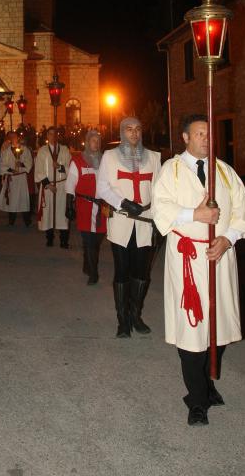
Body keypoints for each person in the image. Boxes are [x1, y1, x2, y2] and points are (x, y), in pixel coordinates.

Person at [152, 114, 245, 426]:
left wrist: (228, 238)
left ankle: (207, 384)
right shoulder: (172, 170)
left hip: (219, 258)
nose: (206, 139)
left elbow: (241, 211)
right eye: (199, 134)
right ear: (185, 138)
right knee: (192, 329)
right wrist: (194, 214)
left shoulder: (223, 172)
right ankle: (196, 400)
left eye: (209, 134)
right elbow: (160, 208)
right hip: (188, 259)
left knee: (218, 327)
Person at [96, 116, 161, 337]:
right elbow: (102, 188)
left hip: (146, 222)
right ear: (122, 132)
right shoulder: (110, 156)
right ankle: (122, 320)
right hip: (122, 220)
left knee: (141, 272)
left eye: (138, 129)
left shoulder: (153, 157)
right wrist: (122, 203)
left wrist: (160, 220)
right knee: (122, 270)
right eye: (129, 129)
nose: (134, 133)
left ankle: (136, 315)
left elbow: (159, 191)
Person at [65, 129, 106, 283]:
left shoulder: (104, 161)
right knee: (89, 240)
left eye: (98, 141)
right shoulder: (78, 161)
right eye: (93, 140)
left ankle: (87, 263)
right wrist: (69, 205)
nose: (96, 143)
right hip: (85, 206)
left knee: (97, 239)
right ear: (87, 142)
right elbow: (70, 184)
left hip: (101, 208)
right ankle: (93, 273)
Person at [35, 126, 71, 248]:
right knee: (48, 212)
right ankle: (49, 238)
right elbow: (39, 170)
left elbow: (70, 167)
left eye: (55, 134)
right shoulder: (42, 151)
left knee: (62, 213)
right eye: (50, 134)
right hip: (48, 185)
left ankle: (64, 240)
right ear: (47, 136)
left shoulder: (65, 150)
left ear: (57, 136)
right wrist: (48, 185)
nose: (52, 136)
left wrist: (60, 167)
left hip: (61, 185)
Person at [0, 131, 33, 226]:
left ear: (18, 137)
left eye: (14, 136)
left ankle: (27, 221)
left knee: (23, 199)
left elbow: (29, 163)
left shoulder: (25, 149)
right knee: (12, 200)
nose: (13, 138)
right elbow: (2, 164)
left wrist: (21, 164)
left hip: (21, 179)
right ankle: (11, 221)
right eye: (11, 137)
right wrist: (11, 170)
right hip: (12, 179)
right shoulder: (6, 151)